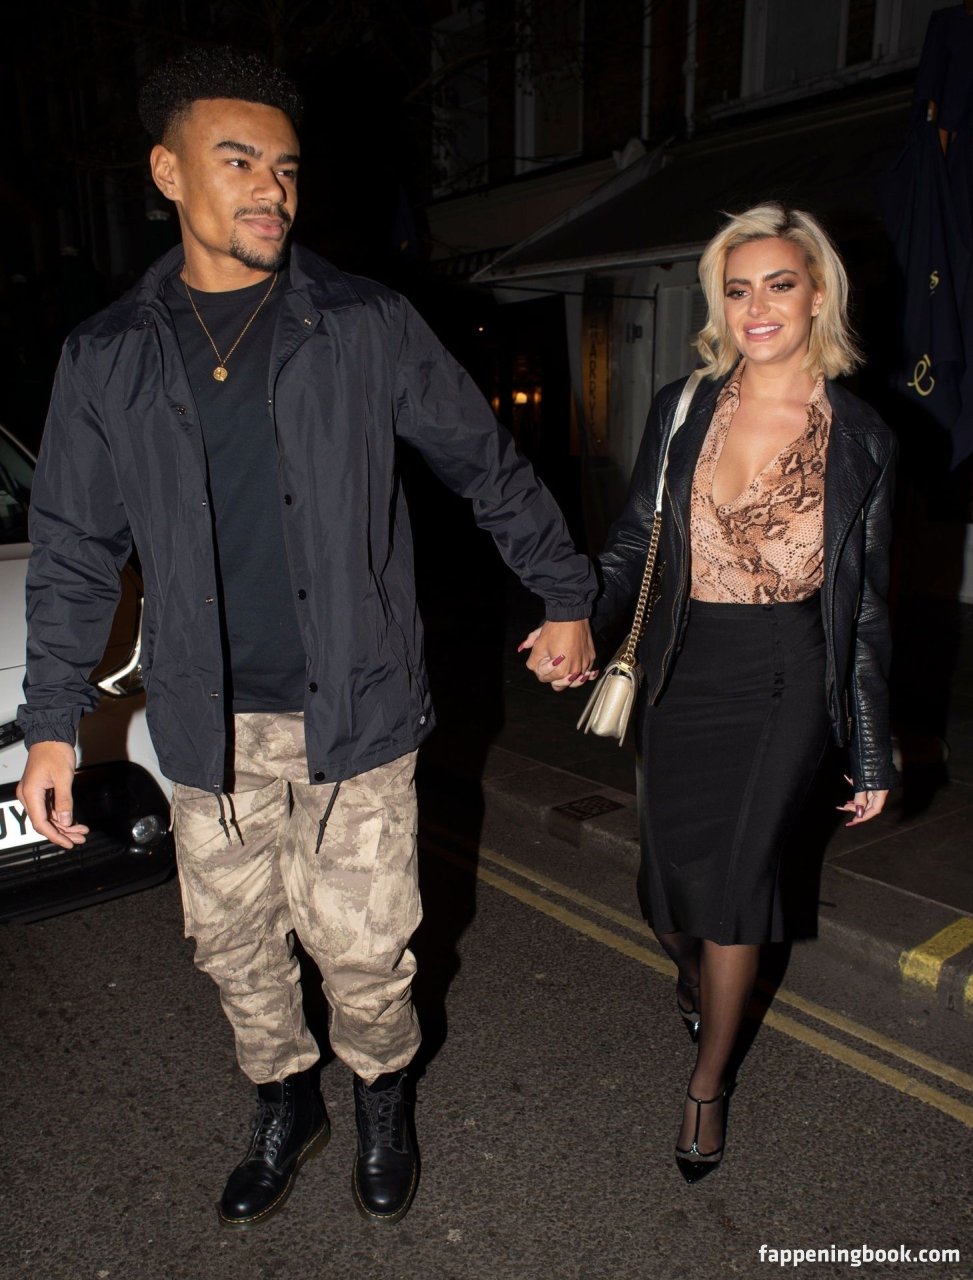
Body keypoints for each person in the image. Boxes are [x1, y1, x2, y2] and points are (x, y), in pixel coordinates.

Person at [16, 46, 595, 1229]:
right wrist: (53, 722)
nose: (271, 189)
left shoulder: (365, 324)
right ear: (167, 172)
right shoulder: (107, 355)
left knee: (366, 947)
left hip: (356, 706)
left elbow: (484, 465)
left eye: (284, 168)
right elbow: (73, 546)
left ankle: (380, 1095)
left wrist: (564, 592)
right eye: (238, 163)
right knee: (231, 943)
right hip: (204, 719)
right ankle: (286, 1100)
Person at [589, 204, 895, 1182]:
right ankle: (698, 977)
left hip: (785, 676)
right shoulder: (684, 407)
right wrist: (576, 620)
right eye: (737, 288)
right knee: (664, 894)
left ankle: (706, 1085)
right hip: (683, 665)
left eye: (779, 283)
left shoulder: (862, 435)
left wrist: (870, 745)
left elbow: (865, 605)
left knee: (733, 891)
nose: (756, 306)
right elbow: (634, 542)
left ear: (817, 293)